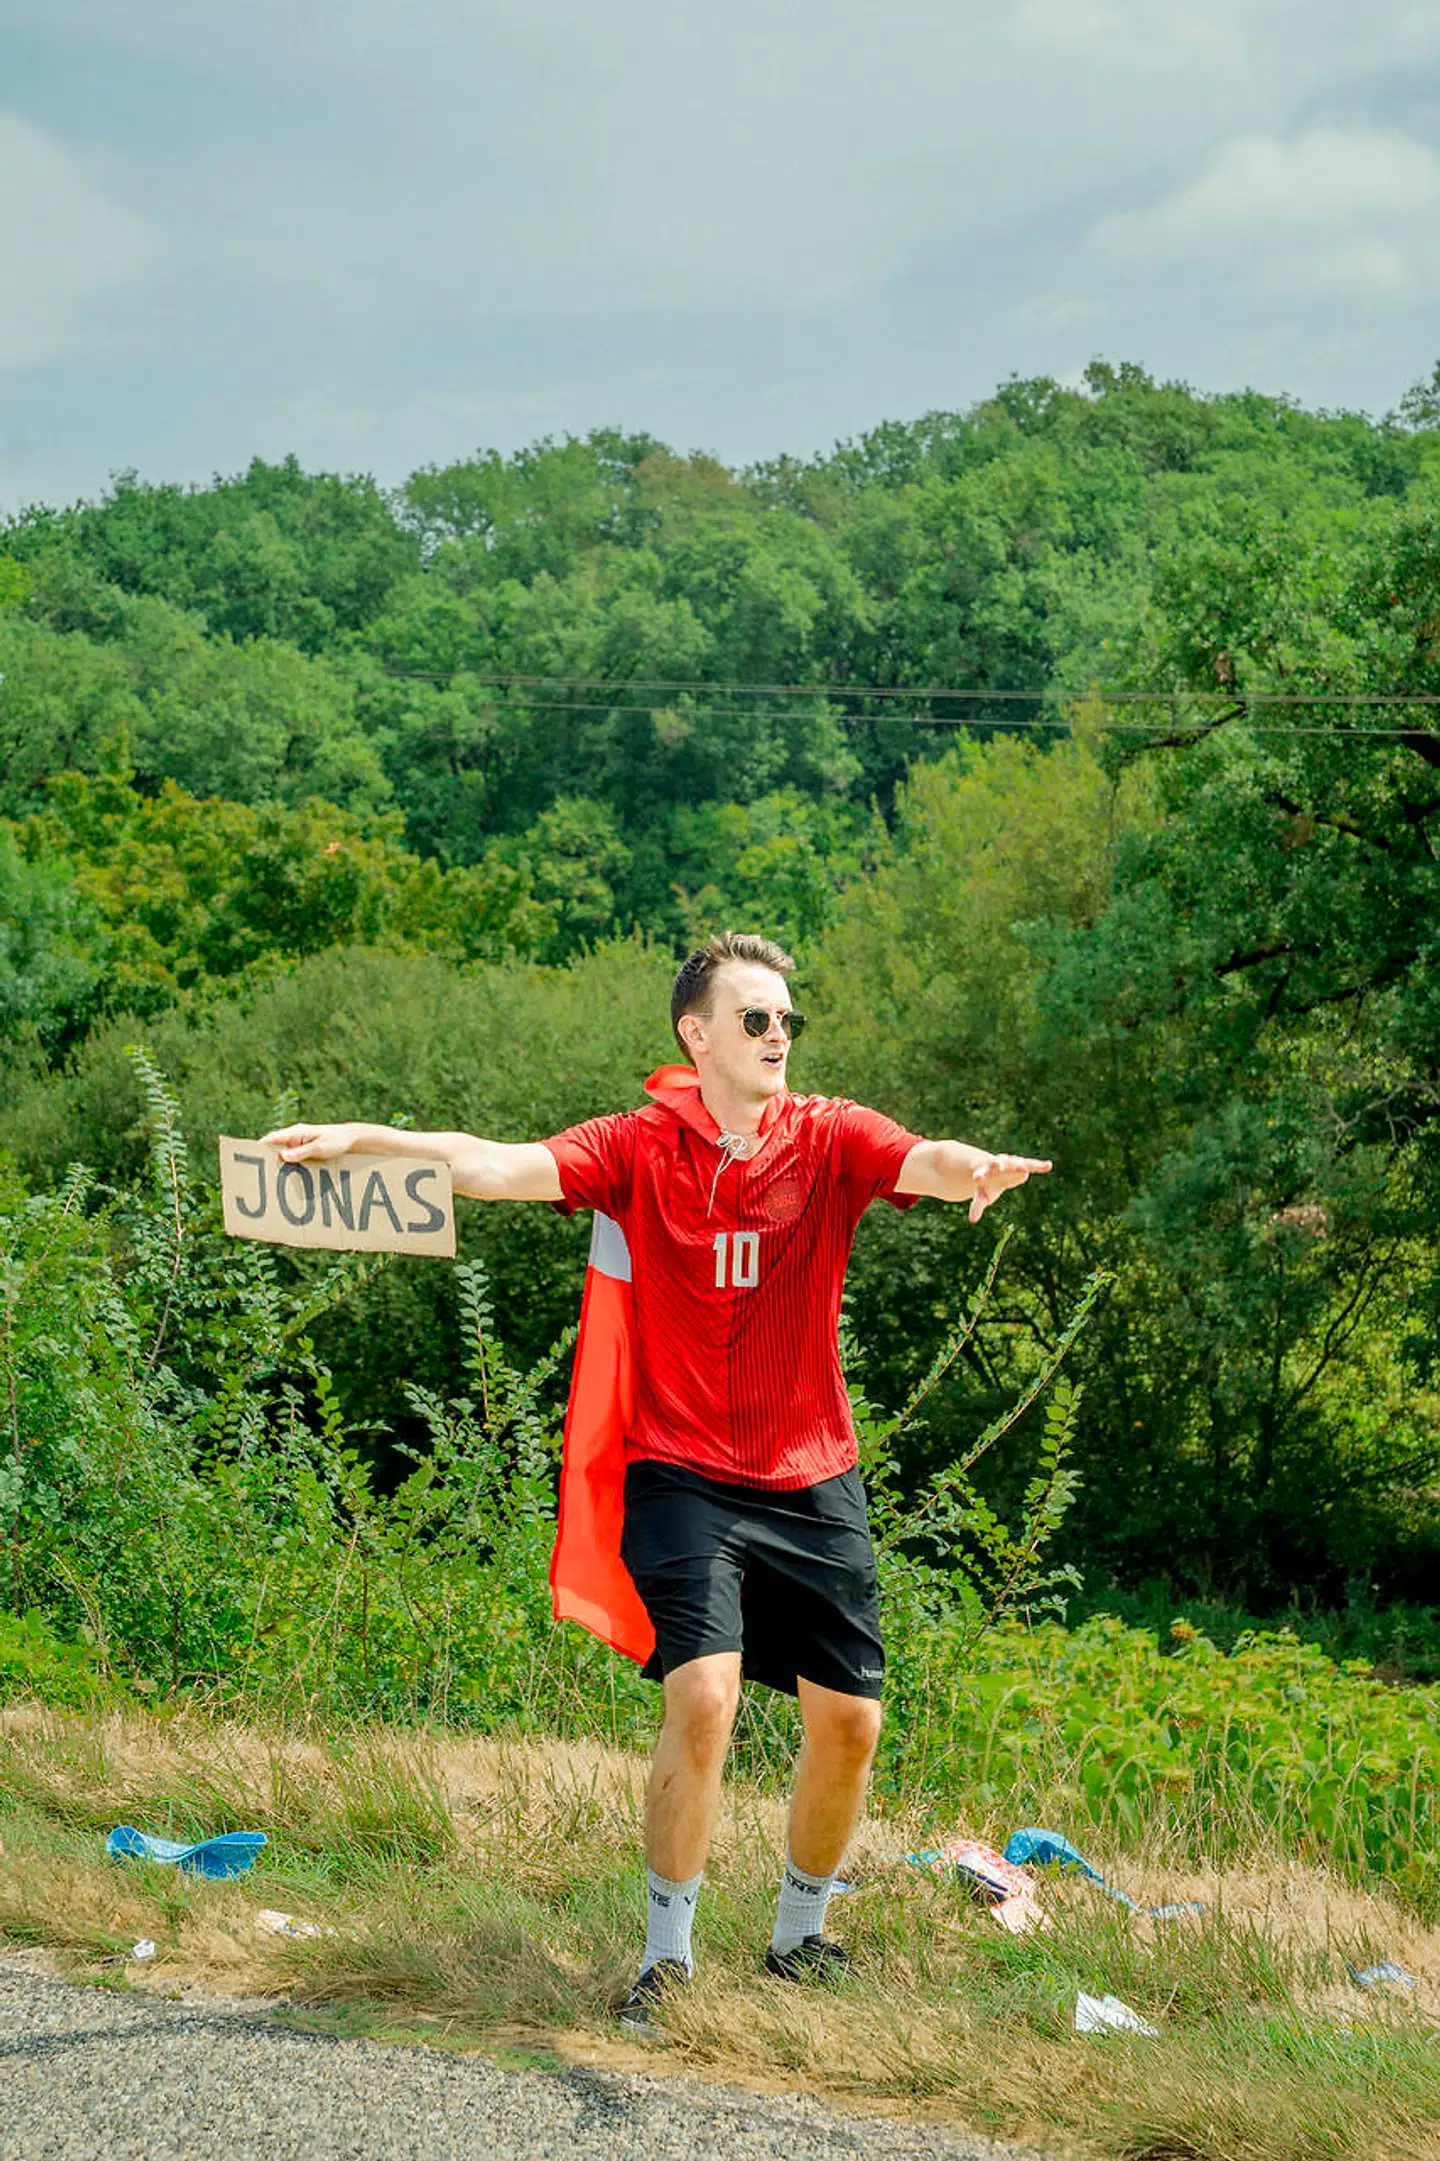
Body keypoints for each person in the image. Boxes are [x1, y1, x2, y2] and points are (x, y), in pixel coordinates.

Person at [262, 930, 1051, 2027]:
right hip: (680, 1471)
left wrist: (981, 1170)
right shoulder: (637, 1147)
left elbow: (922, 1157)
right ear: (697, 1033)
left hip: (811, 1469)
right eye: (756, 1018)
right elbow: (494, 1163)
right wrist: (365, 1140)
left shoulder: (825, 1138)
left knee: (852, 1724)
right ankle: (666, 1959)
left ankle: (797, 1937)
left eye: (788, 1021)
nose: (780, 1036)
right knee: (704, 1697)